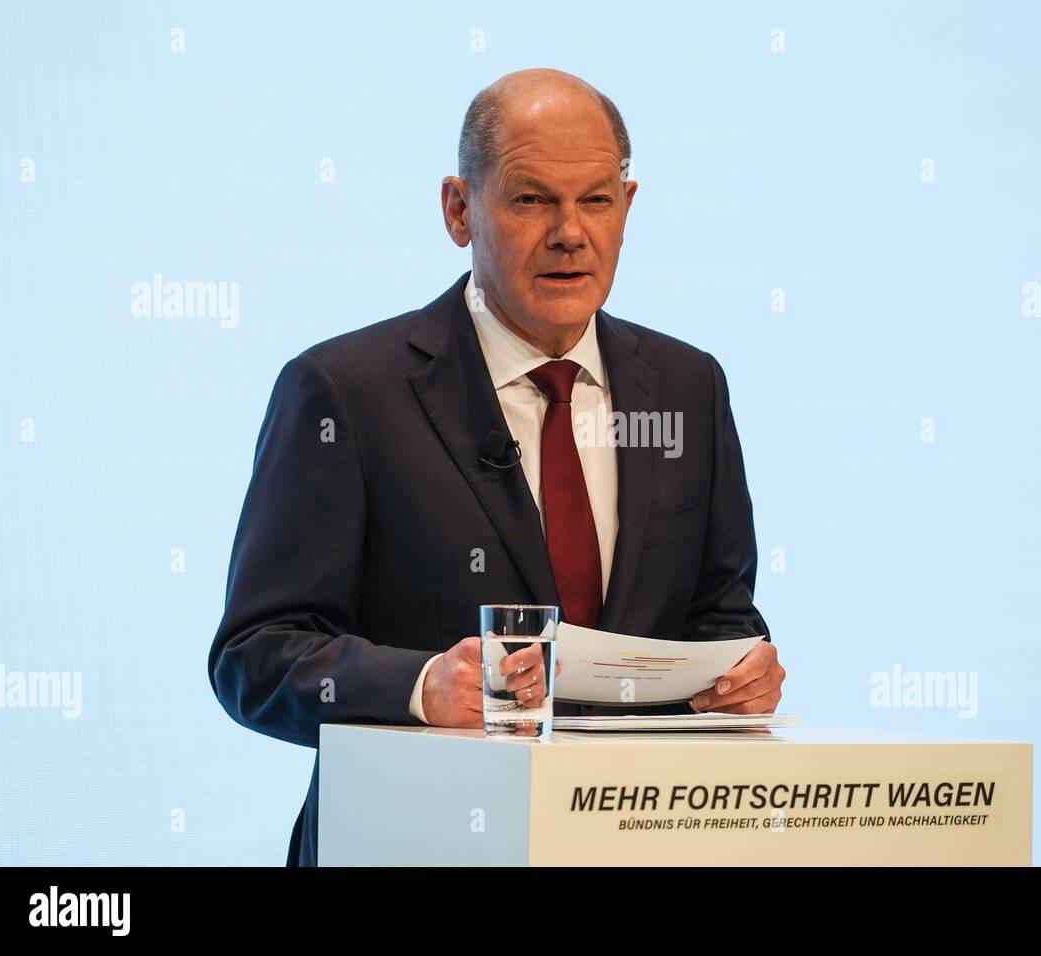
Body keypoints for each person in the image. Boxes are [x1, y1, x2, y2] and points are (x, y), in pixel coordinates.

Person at [208, 67, 785, 867]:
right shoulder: (348, 391)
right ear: (458, 208)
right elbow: (256, 654)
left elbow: (721, 614)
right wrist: (420, 687)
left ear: (628, 206)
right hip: (413, 844)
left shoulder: (687, 386)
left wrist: (742, 672)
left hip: (631, 845)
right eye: (530, 199)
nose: (570, 233)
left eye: (596, 199)